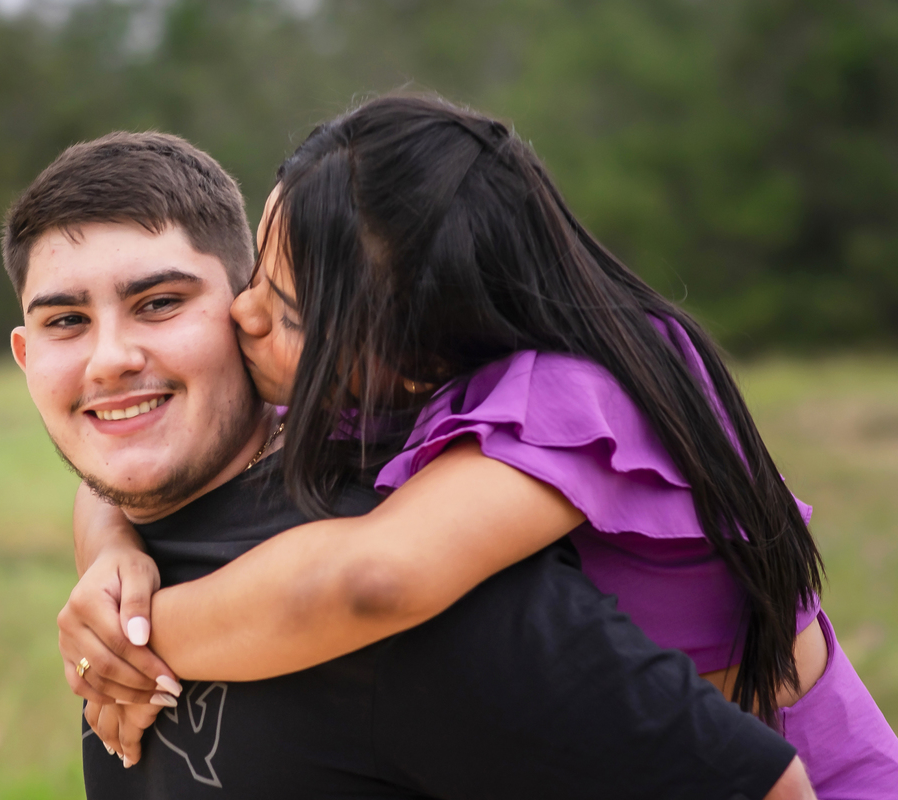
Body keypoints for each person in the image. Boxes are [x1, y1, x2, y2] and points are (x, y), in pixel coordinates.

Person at [64, 97, 898, 798]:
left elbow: (370, 581)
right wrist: (110, 551)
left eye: (285, 313)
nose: (243, 316)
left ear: (418, 360)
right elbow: (127, 469)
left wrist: (130, 641)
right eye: (258, 279)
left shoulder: (573, 398)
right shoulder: (399, 379)